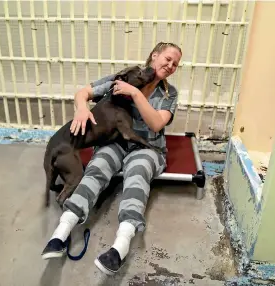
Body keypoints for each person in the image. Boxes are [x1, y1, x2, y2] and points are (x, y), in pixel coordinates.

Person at [41, 42, 182, 275]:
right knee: (96, 169)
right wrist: (81, 108)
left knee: (137, 174)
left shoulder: (169, 93)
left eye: (175, 63)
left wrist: (135, 93)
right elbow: (83, 93)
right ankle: (61, 232)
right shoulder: (122, 77)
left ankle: (120, 246)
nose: (170, 65)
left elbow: (156, 123)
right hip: (115, 143)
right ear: (154, 56)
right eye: (167, 59)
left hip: (148, 148)